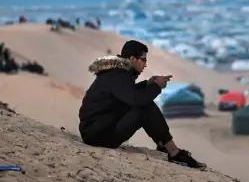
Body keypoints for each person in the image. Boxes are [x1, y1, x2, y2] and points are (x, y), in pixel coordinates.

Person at [78, 40, 206, 169]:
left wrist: (148, 84)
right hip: (98, 136)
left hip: (97, 129)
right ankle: (174, 152)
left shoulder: (117, 72)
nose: (145, 64)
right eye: (143, 60)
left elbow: (126, 93)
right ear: (132, 59)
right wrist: (156, 86)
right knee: (145, 107)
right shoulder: (117, 75)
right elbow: (137, 100)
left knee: (144, 105)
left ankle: (164, 145)